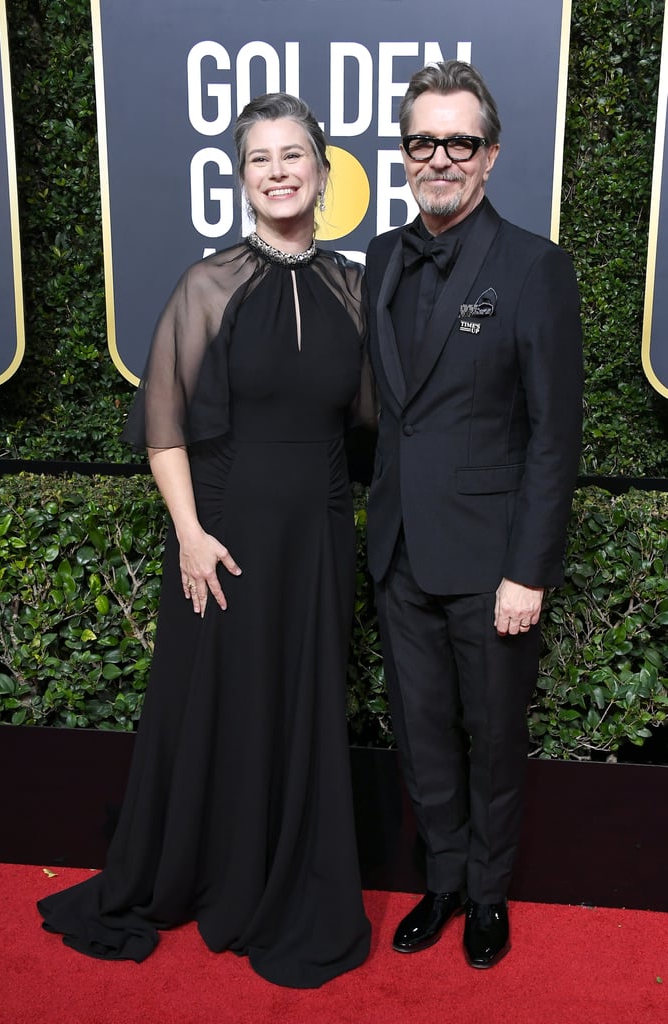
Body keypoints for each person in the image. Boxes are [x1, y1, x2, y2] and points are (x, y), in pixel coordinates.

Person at [38, 92, 372, 988]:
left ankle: (291, 877)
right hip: (224, 535)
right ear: (240, 177)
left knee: (303, 703)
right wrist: (189, 534)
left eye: (293, 155)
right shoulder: (208, 284)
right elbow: (163, 424)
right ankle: (210, 870)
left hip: (320, 534)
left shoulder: (354, 286)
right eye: (259, 158)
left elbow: (375, 417)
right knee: (221, 704)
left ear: (322, 169)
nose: (278, 172)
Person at [365, 61, 583, 968]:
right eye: (424, 141)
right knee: (419, 733)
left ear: (489, 156)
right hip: (399, 551)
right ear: (405, 153)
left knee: (492, 739)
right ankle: (443, 879)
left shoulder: (535, 267)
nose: (440, 158)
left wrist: (526, 570)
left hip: (492, 562)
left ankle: (489, 894)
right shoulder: (380, 254)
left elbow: (553, 435)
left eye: (460, 142)